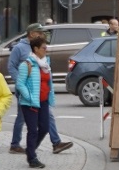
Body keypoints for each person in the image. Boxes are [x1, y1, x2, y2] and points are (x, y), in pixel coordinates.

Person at [8, 24, 71, 157]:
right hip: (26, 91)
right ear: (31, 34)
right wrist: (21, 81)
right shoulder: (19, 48)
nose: (43, 35)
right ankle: (15, 144)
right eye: (40, 33)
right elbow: (11, 66)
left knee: (48, 117)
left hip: (40, 93)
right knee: (21, 118)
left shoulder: (42, 53)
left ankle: (55, 143)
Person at [15, 35, 56, 169]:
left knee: (44, 128)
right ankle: (32, 158)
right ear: (36, 49)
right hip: (29, 103)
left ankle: (30, 149)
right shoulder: (26, 64)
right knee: (33, 130)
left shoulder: (45, 64)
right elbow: (20, 84)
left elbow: (48, 82)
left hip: (43, 101)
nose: (46, 50)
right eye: (44, 48)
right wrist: (30, 98)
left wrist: (50, 96)